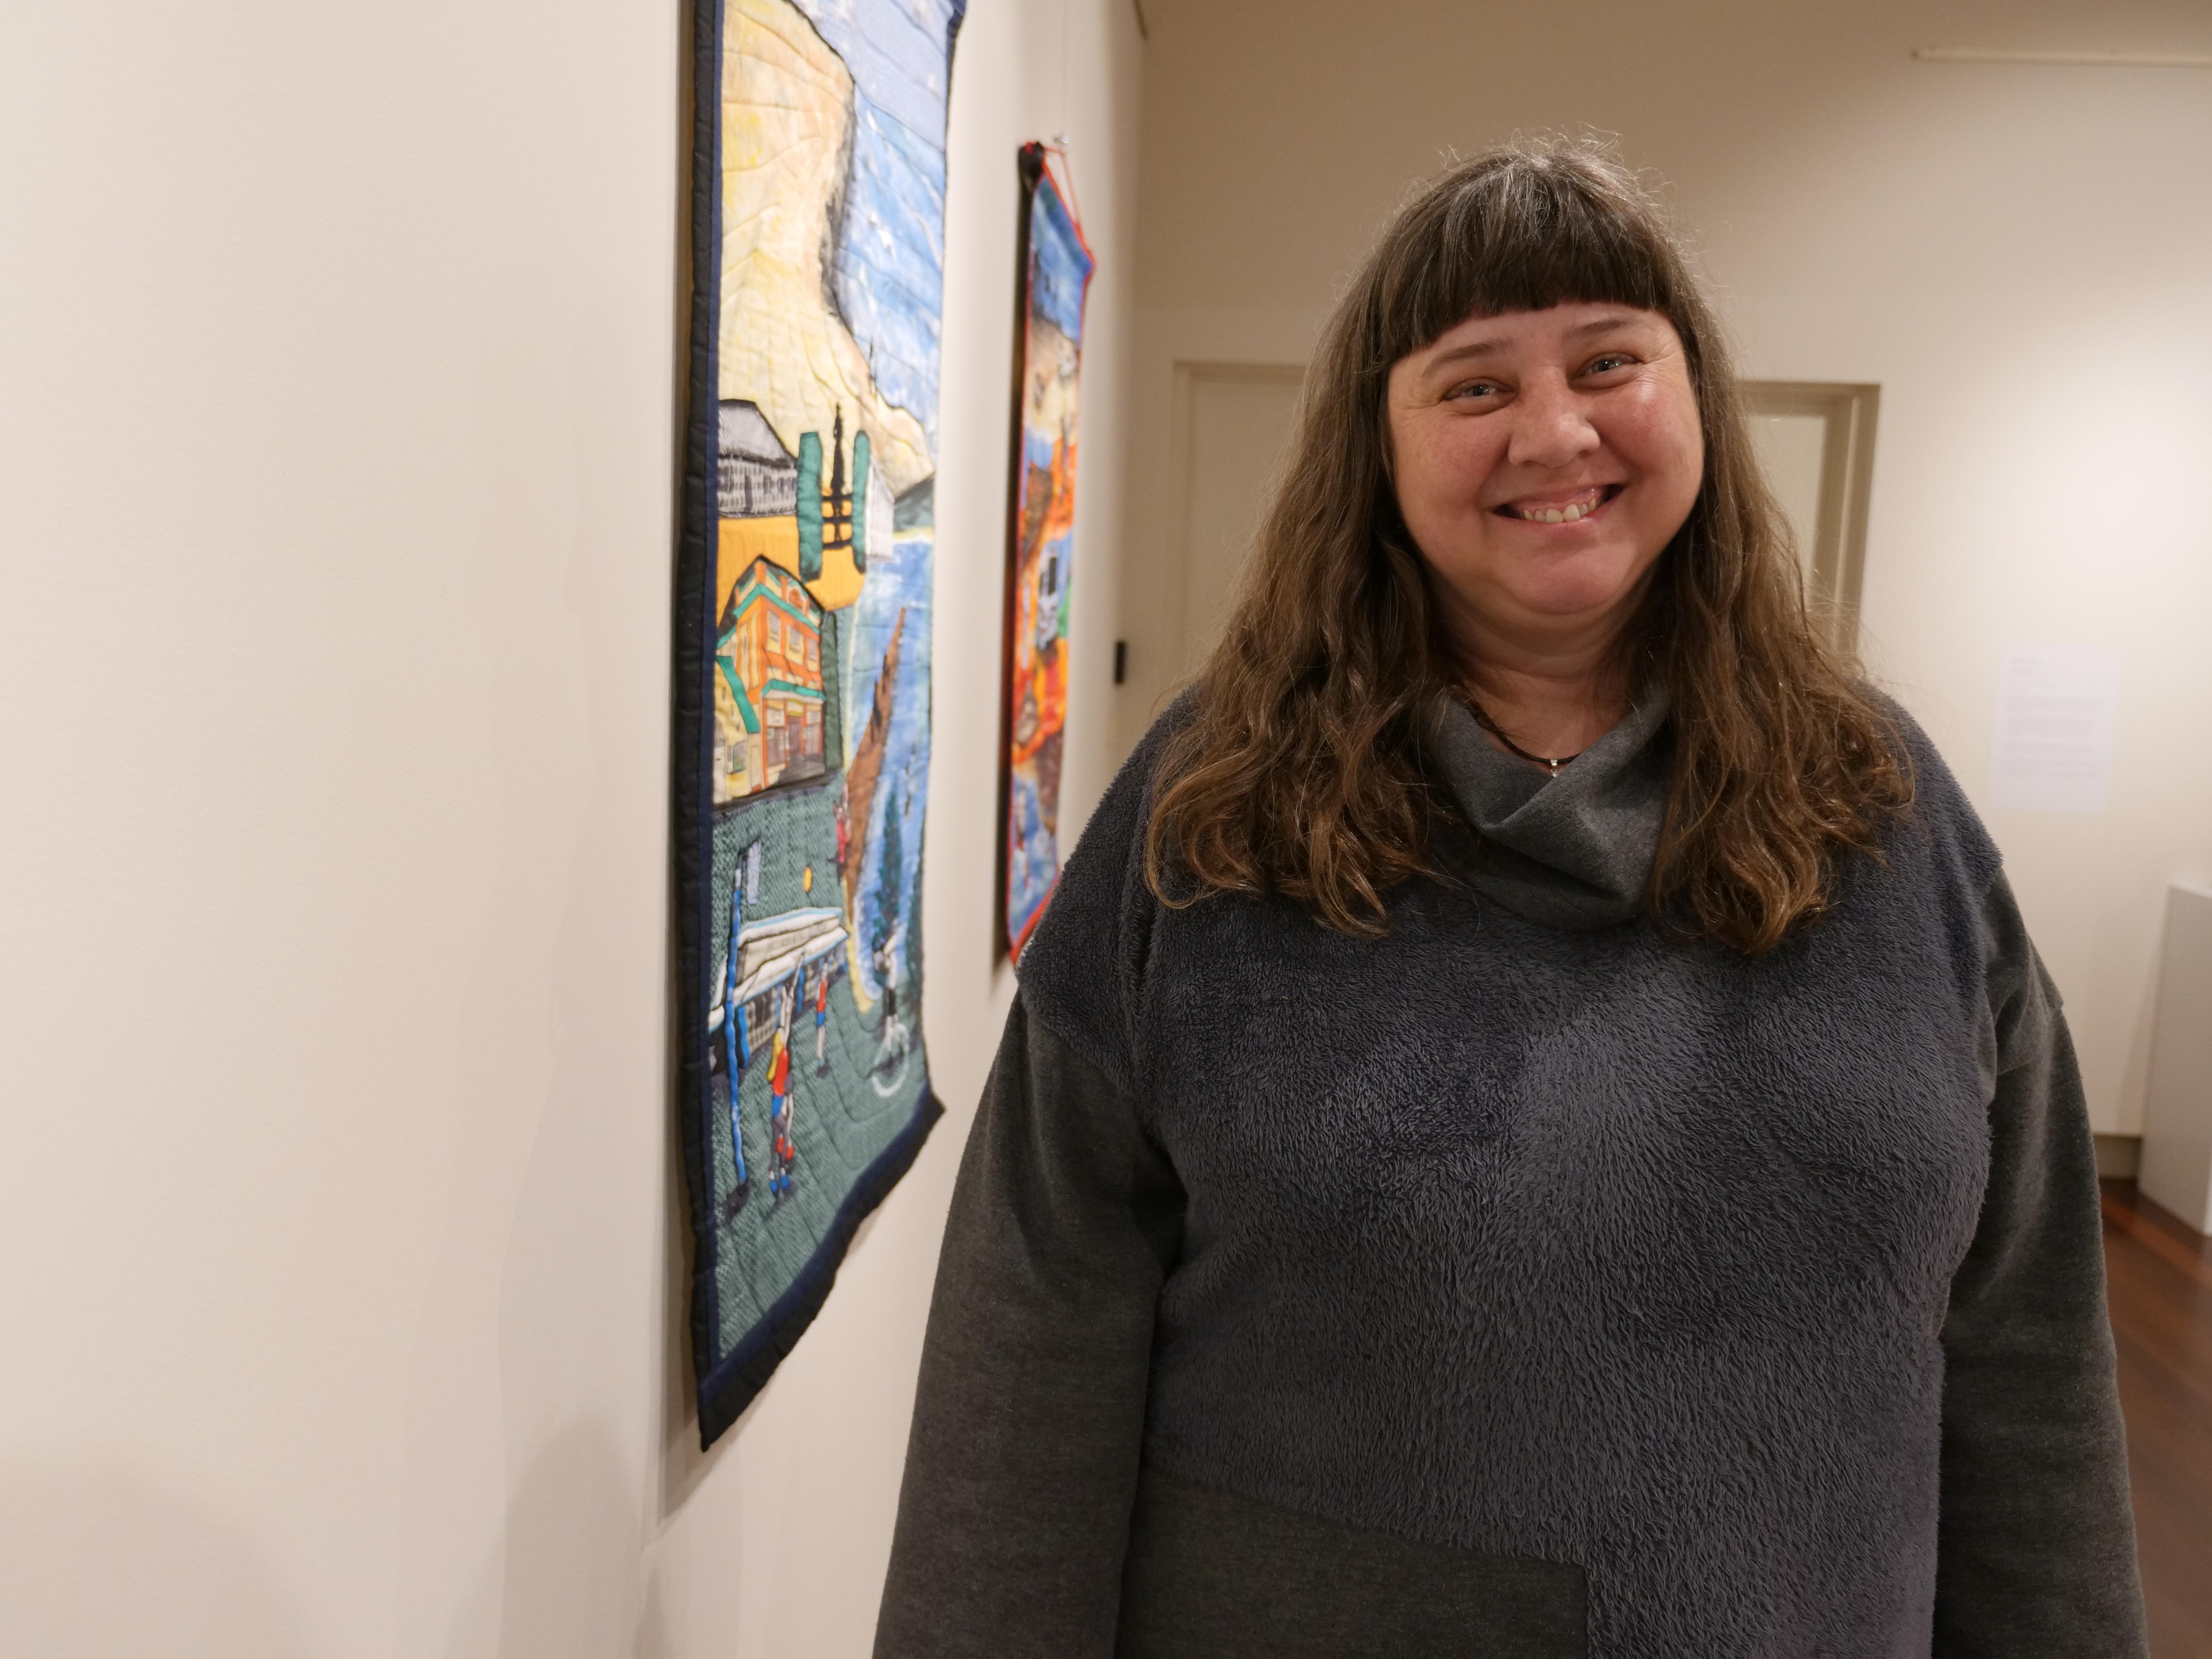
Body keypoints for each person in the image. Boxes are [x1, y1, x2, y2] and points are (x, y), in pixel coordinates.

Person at [874, 140, 2147, 1658]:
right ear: (1381, 450)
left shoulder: (1887, 812)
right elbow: (1030, 1363)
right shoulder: (1209, 814)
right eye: (1475, 385)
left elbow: (2030, 1369)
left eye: (1610, 360)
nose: (1556, 430)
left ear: (1697, 405)